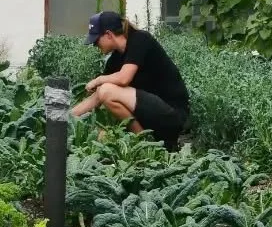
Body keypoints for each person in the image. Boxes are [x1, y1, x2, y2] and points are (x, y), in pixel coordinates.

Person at [71, 11, 190, 151]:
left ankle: (143, 142)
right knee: (102, 122)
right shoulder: (115, 60)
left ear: (109, 34)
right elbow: (97, 97)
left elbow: (123, 78)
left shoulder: (140, 39)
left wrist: (99, 79)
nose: (94, 45)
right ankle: (145, 142)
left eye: (96, 40)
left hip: (172, 114)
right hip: (150, 116)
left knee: (106, 91)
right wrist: (65, 117)